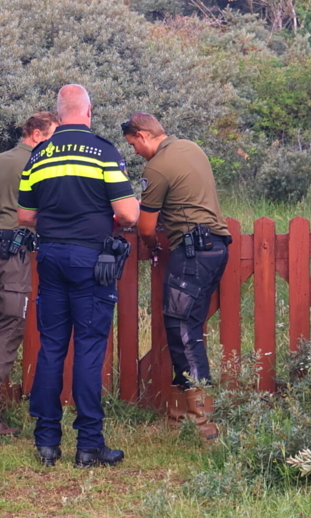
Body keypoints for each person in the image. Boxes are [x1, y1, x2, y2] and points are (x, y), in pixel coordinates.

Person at [18, 85, 139, 468]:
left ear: (59, 112)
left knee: (52, 346)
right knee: (88, 348)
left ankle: (47, 443)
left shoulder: (40, 153)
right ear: (88, 111)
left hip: (51, 255)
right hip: (92, 259)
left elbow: (24, 216)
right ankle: (89, 445)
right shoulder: (104, 151)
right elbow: (130, 214)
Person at [122, 112, 230, 439]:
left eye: (133, 145)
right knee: (185, 329)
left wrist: (152, 244)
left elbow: (146, 225)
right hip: (216, 248)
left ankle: (204, 423)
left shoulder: (156, 167)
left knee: (183, 333)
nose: (135, 152)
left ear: (142, 135)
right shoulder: (191, 148)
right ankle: (178, 416)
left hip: (192, 252)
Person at [0, 112, 59, 436]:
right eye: (51, 136)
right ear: (35, 133)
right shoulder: (33, 163)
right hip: (11, 253)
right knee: (8, 331)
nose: (54, 144)